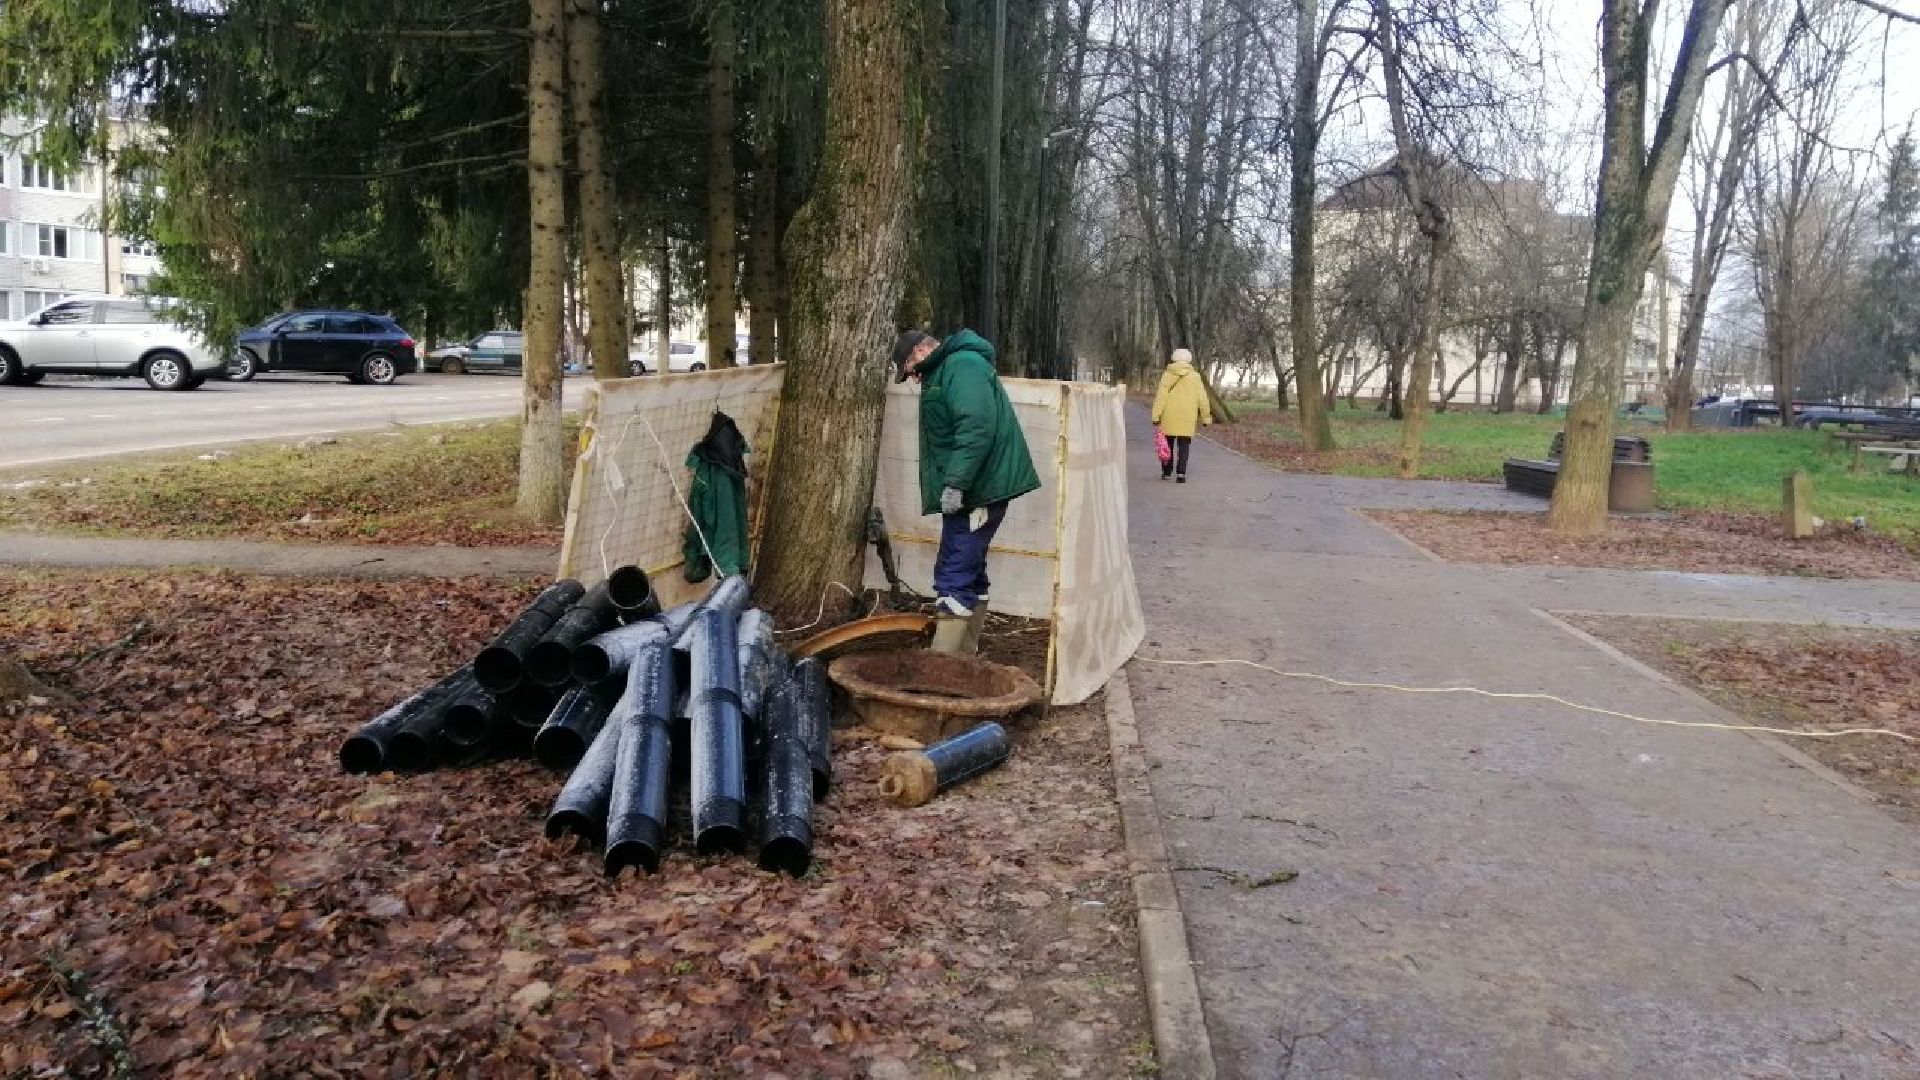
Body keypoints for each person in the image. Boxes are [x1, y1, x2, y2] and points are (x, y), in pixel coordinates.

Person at [890, 328, 1041, 655]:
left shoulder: (961, 366)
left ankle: (943, 666)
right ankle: (964, 654)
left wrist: (957, 483)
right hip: (977, 489)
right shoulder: (953, 367)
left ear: (919, 353)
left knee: (954, 571)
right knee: (970, 568)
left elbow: (975, 427)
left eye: (911, 372)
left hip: (977, 491)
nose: (914, 380)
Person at [1150, 348, 1212, 482]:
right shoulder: (1195, 377)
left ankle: (1166, 472)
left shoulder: (1167, 375)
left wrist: (1156, 416)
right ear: (1189, 360)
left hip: (1169, 416)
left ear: (1174, 358)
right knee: (1184, 445)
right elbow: (1203, 398)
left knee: (1168, 444)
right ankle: (1181, 474)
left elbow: (1161, 397)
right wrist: (1206, 417)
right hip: (1187, 417)